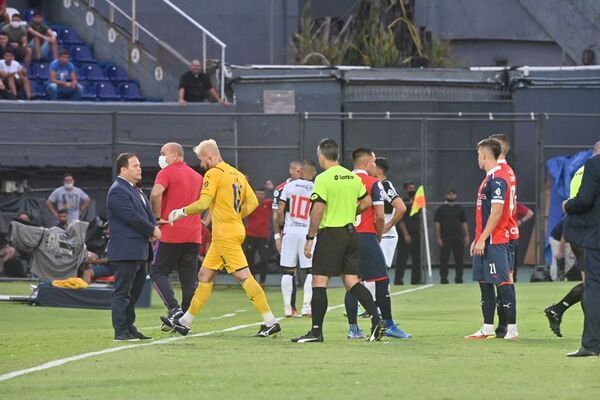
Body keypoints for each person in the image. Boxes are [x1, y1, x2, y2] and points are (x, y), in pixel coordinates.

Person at [167, 139, 281, 337]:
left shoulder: (214, 173)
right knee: (204, 275)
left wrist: (181, 212)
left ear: (210, 156)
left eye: (202, 160)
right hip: (231, 230)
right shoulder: (236, 173)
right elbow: (253, 201)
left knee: (243, 276)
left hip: (225, 234)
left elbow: (203, 203)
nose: (201, 165)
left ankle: (270, 321)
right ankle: (185, 322)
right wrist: (236, 216)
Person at [291, 138, 385, 343]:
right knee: (351, 281)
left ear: (321, 156)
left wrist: (310, 237)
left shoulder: (323, 179)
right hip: (351, 233)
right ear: (338, 156)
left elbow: (318, 209)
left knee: (319, 280)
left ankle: (316, 332)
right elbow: (367, 201)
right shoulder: (351, 178)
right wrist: (351, 210)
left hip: (331, 234)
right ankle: (378, 321)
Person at [343, 148, 412, 340]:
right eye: (373, 162)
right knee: (382, 280)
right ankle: (388, 324)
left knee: (352, 282)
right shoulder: (374, 183)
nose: (375, 166)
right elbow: (380, 216)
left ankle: (353, 328)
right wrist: (379, 232)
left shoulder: (342, 180)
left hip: (345, 236)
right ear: (365, 163)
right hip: (366, 235)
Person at [545, 142, 599, 340]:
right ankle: (592, 333)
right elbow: (583, 202)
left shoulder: (581, 170)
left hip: (581, 229)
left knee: (591, 283)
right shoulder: (592, 170)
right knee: (591, 284)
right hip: (587, 231)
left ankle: (558, 309)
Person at [465, 139, 518, 341]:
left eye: (479, 155)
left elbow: (496, 213)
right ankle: (487, 327)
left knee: (503, 283)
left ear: (485, 156)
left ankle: (512, 329)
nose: (477, 158)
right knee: (484, 282)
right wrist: (478, 238)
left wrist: (483, 238)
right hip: (485, 240)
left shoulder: (498, 179)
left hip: (496, 240)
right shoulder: (489, 178)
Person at [148, 142, 204, 331]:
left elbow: (156, 193)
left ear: (173, 155)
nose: (161, 157)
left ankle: (174, 309)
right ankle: (184, 320)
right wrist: (205, 221)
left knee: (157, 272)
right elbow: (209, 201)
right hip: (194, 234)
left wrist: (157, 218)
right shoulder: (197, 176)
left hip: (171, 232)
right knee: (189, 279)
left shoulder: (166, 172)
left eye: (163, 153)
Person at [106, 153, 160, 341]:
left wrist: (153, 228)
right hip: (125, 251)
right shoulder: (118, 190)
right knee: (122, 292)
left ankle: (130, 327)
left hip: (139, 250)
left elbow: (148, 214)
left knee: (133, 293)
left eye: (139, 165)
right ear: (123, 169)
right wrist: (152, 229)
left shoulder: (135, 190)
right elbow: (130, 217)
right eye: (135, 165)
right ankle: (120, 331)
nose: (140, 168)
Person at [563, 141, 600, 357]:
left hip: (596, 238)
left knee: (594, 287)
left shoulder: (593, 165)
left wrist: (568, 205)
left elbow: (584, 201)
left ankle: (592, 344)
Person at [276, 160, 317, 317]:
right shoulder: (315, 188)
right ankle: (307, 307)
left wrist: (281, 228)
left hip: (290, 230)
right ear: (312, 173)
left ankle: (287, 309)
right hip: (307, 232)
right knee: (310, 271)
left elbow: (280, 211)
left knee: (287, 271)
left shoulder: (288, 186)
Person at [488, 133, 519, 338]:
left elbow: (498, 209)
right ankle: (503, 326)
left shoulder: (498, 174)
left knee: (504, 281)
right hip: (510, 231)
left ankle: (509, 327)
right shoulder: (509, 171)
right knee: (504, 280)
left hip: (502, 233)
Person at [272, 160, 302, 313]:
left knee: (307, 270)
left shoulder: (307, 187)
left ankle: (303, 306)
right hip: (288, 233)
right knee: (290, 270)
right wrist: (277, 236)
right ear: (291, 171)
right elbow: (276, 215)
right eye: (298, 171)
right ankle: (291, 306)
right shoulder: (281, 189)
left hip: (304, 233)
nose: (300, 174)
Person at [373, 157, 406, 270]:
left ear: (379, 170)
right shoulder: (373, 185)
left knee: (379, 271)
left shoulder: (385, 186)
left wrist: (390, 224)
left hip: (386, 236)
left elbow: (401, 208)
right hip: (375, 235)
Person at [434, 189, 469, 284]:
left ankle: (459, 279)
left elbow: (464, 222)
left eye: (453, 194)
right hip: (445, 237)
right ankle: (444, 279)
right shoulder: (441, 209)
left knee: (459, 259)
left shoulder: (459, 208)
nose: (451, 196)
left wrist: (466, 235)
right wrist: (438, 237)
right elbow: (437, 224)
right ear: (446, 195)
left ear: (456, 196)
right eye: (449, 194)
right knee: (444, 259)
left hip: (458, 237)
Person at [244, 187, 272, 284]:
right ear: (255, 194)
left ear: (264, 195)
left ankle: (262, 282)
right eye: (258, 194)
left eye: (262, 194)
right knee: (249, 260)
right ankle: (253, 281)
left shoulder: (268, 203)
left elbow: (278, 201)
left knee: (264, 259)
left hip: (263, 237)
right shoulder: (251, 204)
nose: (260, 196)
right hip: (250, 235)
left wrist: (272, 190)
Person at [396, 181, 422, 284]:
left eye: (413, 188)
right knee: (402, 258)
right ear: (406, 189)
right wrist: (406, 234)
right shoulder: (402, 201)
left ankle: (416, 280)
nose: (412, 190)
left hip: (416, 233)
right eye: (410, 188)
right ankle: (398, 280)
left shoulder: (417, 202)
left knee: (416, 258)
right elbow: (401, 220)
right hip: (404, 234)